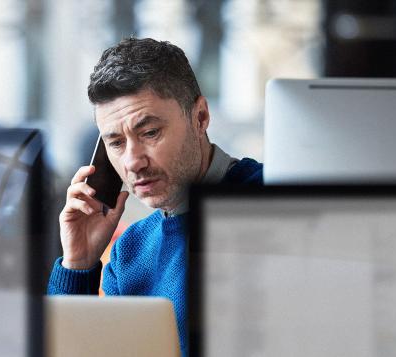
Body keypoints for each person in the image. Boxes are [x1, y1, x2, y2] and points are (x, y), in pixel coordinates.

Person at [47, 37, 263, 353]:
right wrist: (78, 265)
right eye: (116, 143)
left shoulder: (276, 204)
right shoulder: (130, 252)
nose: (133, 161)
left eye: (149, 133)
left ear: (200, 117)